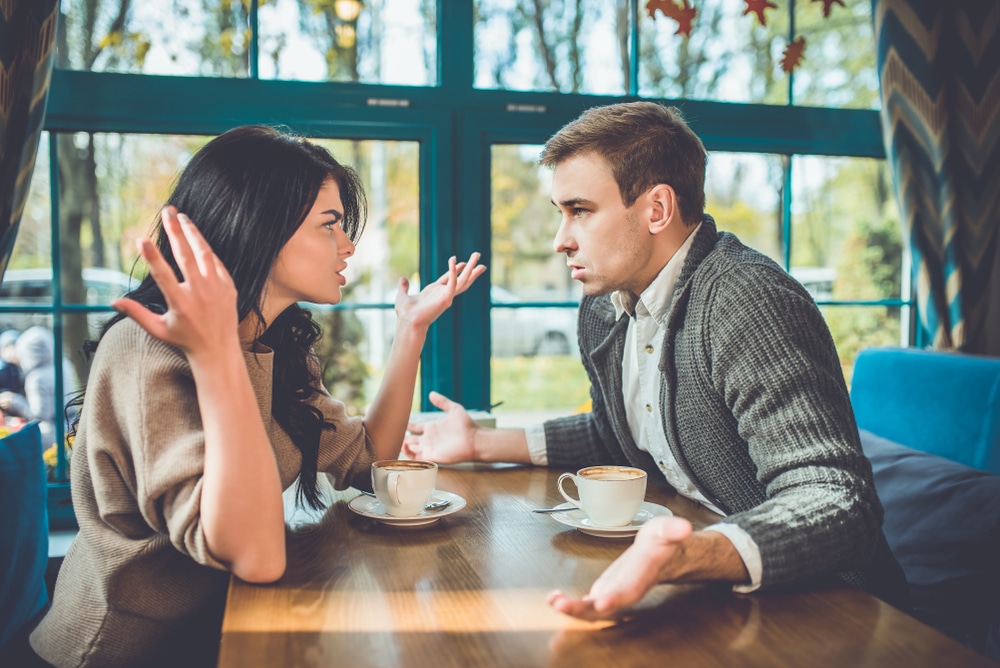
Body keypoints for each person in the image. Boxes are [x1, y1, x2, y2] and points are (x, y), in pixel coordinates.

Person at [403, 101, 908, 620]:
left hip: (831, 603)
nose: (561, 240)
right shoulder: (604, 308)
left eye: (580, 210)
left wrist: (687, 556)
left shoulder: (747, 301)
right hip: (715, 584)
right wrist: (481, 444)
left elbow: (837, 500)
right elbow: (619, 434)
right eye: (561, 213)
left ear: (657, 209)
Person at [24, 125, 485, 667]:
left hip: (223, 626)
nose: (349, 246)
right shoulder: (148, 348)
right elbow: (256, 556)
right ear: (259, 228)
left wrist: (411, 332)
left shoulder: (274, 341)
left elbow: (369, 459)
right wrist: (219, 351)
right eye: (329, 226)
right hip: (122, 651)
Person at [0, 326, 79, 446]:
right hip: (72, 425)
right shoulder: (63, 364)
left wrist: (14, 401)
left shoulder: (36, 378)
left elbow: (40, 416)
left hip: (52, 435)